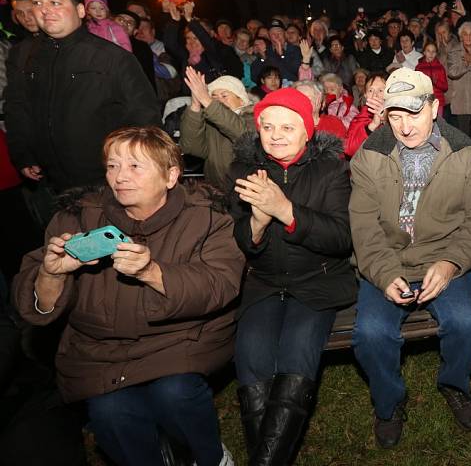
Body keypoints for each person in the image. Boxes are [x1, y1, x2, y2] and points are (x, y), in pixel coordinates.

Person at [13, 126, 244, 466]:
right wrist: (51, 274)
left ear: (170, 176)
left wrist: (152, 272)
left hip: (178, 342)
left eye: (136, 166)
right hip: (100, 351)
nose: (120, 177)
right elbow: (35, 306)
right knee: (110, 412)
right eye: (112, 166)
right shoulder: (77, 217)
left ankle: (208, 458)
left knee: (175, 393)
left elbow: (220, 284)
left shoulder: (206, 218)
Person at [349, 68, 471, 448]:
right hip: (388, 259)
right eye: (395, 116)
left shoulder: (463, 152)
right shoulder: (370, 155)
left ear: (434, 107)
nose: (403, 127)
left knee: (468, 323)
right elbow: (363, 225)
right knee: (370, 334)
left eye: (413, 114)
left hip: (443, 254)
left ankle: (453, 384)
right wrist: (383, 274)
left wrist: (451, 264)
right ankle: (389, 402)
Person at [228, 88, 356, 464]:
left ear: (308, 130)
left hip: (318, 280)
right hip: (264, 281)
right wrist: (256, 222)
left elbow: (341, 237)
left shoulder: (332, 169)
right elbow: (237, 237)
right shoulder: (242, 170)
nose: (276, 134)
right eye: (268, 126)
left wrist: (286, 211)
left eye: (288, 126)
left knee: (298, 347)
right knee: (251, 353)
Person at [4, 0, 160, 201]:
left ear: (79, 10)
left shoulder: (113, 58)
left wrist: (129, 170)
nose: (44, 10)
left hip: (102, 182)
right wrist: (23, 154)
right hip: (46, 182)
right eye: (37, 3)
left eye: (55, 2)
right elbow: (16, 107)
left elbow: (145, 116)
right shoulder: (22, 55)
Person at [180, 71, 254, 187]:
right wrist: (195, 105)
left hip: (244, 192)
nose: (219, 100)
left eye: (224, 96)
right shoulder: (212, 122)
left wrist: (206, 98)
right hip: (215, 190)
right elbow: (191, 148)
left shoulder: (252, 118)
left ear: (241, 100)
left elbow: (241, 133)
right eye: (214, 97)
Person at [345, 72, 387, 157]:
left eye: (380, 90)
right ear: (365, 95)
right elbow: (349, 150)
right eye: (371, 90)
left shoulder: (399, 115)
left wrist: (385, 120)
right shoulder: (359, 119)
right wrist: (371, 126)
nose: (375, 95)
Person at [251, 19, 302, 83]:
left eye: (279, 32)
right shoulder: (266, 51)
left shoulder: (295, 50)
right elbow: (255, 76)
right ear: (269, 36)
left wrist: (282, 55)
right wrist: (263, 58)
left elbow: (296, 71)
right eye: (273, 34)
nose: (276, 36)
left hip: (291, 87)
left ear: (285, 34)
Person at [415, 41, 448, 117]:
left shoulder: (440, 67)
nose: (431, 53)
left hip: (438, 101)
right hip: (424, 101)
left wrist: (436, 81)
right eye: (428, 51)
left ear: (436, 53)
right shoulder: (419, 67)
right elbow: (416, 85)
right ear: (424, 52)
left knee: (439, 123)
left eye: (433, 51)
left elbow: (445, 87)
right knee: (426, 123)